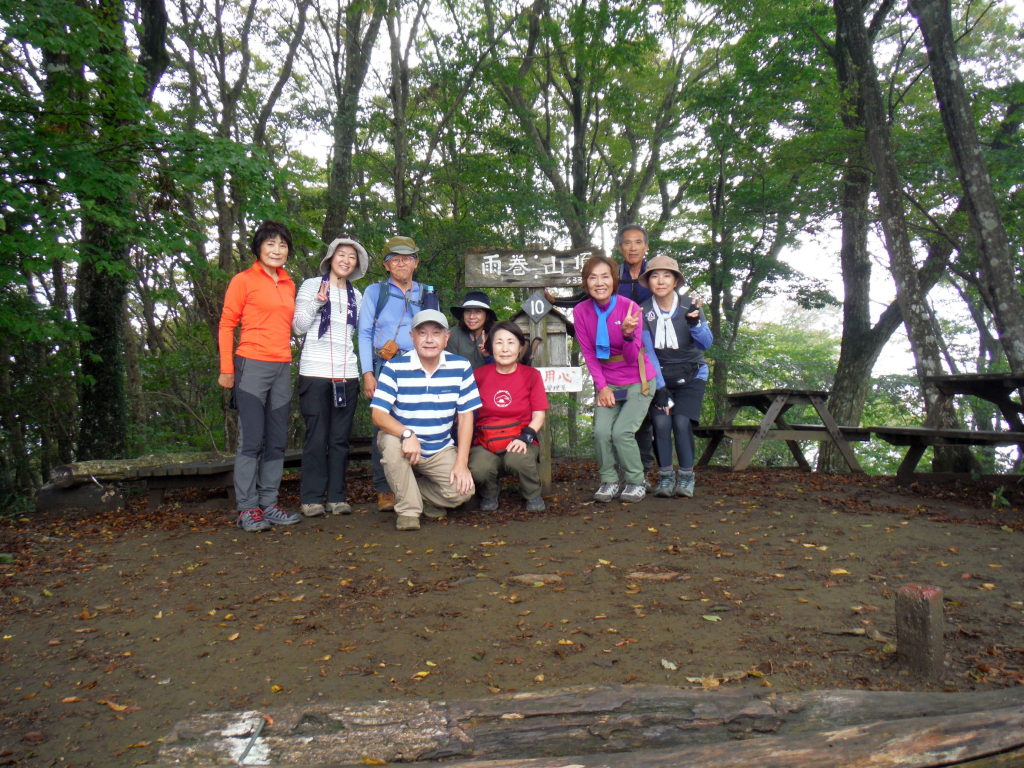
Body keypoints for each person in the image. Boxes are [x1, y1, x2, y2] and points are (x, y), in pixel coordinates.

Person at [218, 220, 302, 532]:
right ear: (258, 248)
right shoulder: (243, 280)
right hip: (250, 365)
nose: (277, 250)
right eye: (270, 244)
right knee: (251, 441)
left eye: (282, 245)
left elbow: (295, 324)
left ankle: (269, 504)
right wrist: (227, 369)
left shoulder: (289, 283)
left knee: (278, 441)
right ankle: (247, 509)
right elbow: (227, 324)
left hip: (282, 366)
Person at [370, 309, 481, 531]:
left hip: (439, 447)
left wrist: (461, 462)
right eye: (422, 333)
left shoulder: (461, 367)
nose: (429, 340)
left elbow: (466, 417)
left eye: (436, 333)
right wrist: (407, 434)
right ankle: (409, 511)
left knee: (463, 491)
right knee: (390, 442)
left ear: (446, 338)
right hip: (403, 444)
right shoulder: (394, 367)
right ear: (412, 337)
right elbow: (378, 415)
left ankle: (420, 496)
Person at [292, 235, 368, 517]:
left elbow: (363, 333)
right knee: (316, 437)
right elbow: (298, 327)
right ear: (331, 257)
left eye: (352, 257)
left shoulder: (356, 296)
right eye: (342, 254)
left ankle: (337, 496)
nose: (346, 260)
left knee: (339, 439)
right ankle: (311, 498)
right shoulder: (312, 285)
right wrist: (317, 303)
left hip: (347, 375)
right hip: (314, 373)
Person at [575, 254, 657, 503]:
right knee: (601, 432)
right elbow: (589, 355)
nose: (599, 282)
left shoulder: (630, 308)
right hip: (608, 383)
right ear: (586, 282)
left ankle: (635, 480)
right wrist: (602, 387)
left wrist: (629, 335)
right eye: (592, 277)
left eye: (605, 276)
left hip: (638, 379)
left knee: (622, 432)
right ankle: (609, 480)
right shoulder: (581, 311)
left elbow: (633, 358)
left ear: (614, 279)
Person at [358, 236, 427, 513]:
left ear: (416, 263)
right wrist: (367, 373)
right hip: (385, 367)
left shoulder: (425, 292)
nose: (402, 263)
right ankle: (384, 489)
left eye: (407, 258)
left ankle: (416, 483)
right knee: (383, 426)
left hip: (418, 367)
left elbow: (432, 331)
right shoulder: (376, 292)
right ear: (386, 265)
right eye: (395, 259)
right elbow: (363, 333)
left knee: (419, 421)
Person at [639, 256, 713, 498]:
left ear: (676, 281)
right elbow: (648, 353)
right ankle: (666, 478)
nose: (660, 281)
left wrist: (695, 323)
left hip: (693, 374)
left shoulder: (688, 306)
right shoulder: (644, 310)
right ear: (648, 280)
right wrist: (660, 389)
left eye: (667, 275)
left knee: (681, 422)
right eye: (654, 275)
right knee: (661, 423)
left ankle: (687, 478)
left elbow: (706, 344)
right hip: (661, 378)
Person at [469, 321, 549, 513]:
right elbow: (464, 412)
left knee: (517, 459)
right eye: (499, 343)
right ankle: (489, 492)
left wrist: (525, 437)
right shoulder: (478, 375)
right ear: (490, 346)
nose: (505, 349)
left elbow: (539, 414)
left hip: (521, 435)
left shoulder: (531, 375)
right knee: (478, 467)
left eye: (511, 343)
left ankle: (532, 493)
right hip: (486, 439)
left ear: (520, 347)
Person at [446, 290, 497, 369]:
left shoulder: (496, 335)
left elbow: (502, 368)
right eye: (467, 311)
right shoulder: (453, 334)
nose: (472, 316)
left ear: (486, 315)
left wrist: (488, 355)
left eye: (478, 312)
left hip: (488, 380)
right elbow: (450, 366)